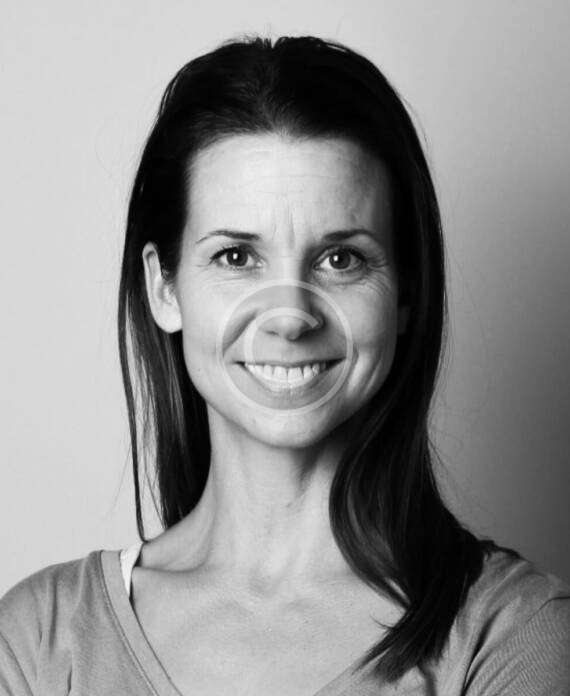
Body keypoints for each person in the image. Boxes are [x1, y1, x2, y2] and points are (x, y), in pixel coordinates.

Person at [1, 34, 569, 696]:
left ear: (405, 295)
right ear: (164, 288)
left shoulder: (515, 633)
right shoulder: (37, 643)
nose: (290, 316)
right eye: (237, 257)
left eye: (340, 259)